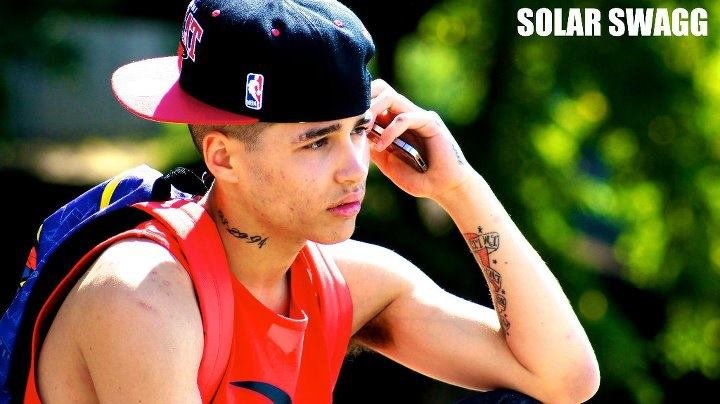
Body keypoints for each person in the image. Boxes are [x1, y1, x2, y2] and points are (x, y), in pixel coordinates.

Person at [27, 0, 600, 402]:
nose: (355, 169)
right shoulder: (141, 298)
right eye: (317, 141)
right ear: (224, 158)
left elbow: (563, 380)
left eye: (359, 129)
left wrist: (459, 187)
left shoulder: (347, 284)